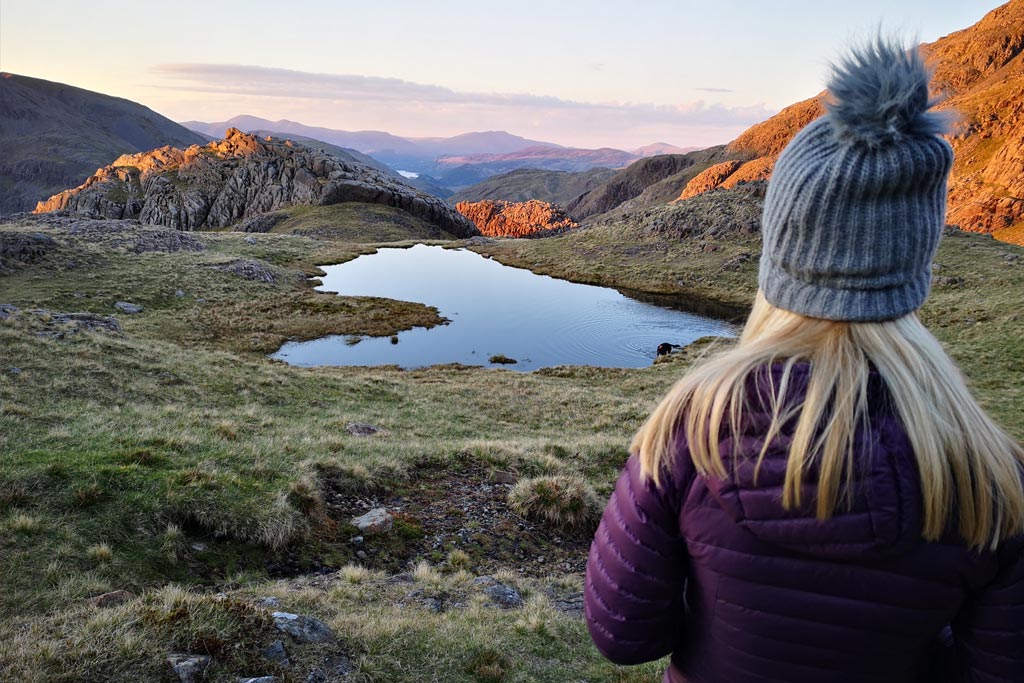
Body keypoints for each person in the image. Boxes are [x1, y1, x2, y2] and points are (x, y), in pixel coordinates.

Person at [584, 37, 1024, 683]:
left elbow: (623, 632)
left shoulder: (694, 426)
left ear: (779, 258)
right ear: (915, 261)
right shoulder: (994, 475)